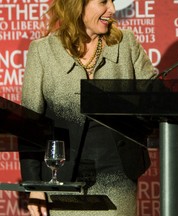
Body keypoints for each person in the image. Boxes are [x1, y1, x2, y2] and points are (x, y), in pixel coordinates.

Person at [19, 0, 156, 216]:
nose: (112, 8)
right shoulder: (43, 51)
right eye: (103, 1)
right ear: (77, 5)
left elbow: (155, 96)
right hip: (61, 179)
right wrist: (35, 186)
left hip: (117, 178)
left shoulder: (126, 43)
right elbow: (29, 125)